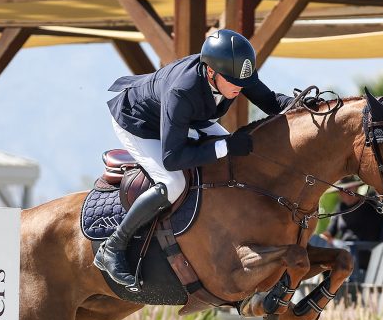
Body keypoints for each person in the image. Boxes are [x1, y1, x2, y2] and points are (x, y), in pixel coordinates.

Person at [96, 29, 293, 289]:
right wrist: (225, 146)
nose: (240, 87)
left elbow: (270, 101)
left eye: (243, 81)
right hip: (139, 123)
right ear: (211, 72)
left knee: (237, 163)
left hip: (187, 118)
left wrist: (303, 106)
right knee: (172, 182)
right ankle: (113, 247)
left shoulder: (235, 74)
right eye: (233, 81)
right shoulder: (182, 89)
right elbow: (172, 157)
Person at [320, 182, 383, 279]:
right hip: (344, 251)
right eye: (341, 191)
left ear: (355, 188)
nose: (344, 193)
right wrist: (322, 240)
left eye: (348, 189)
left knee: (341, 257)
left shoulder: (370, 205)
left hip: (364, 253)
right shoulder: (341, 208)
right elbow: (329, 233)